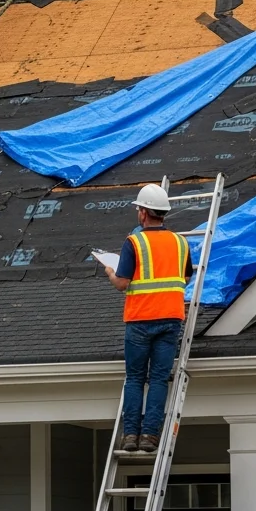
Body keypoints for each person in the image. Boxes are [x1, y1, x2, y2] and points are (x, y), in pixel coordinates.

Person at [104, 183, 193, 454]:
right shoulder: (180, 242)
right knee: (158, 378)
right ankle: (150, 437)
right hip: (171, 319)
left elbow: (122, 283)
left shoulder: (135, 242)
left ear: (143, 212)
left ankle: (131, 435)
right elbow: (185, 276)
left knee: (134, 378)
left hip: (141, 319)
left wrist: (110, 271)